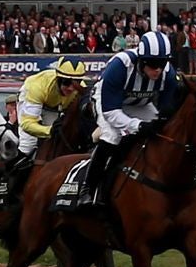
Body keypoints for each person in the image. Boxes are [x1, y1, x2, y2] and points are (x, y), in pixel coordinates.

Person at [65, 31, 177, 211]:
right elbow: (111, 112)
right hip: (109, 102)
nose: (158, 69)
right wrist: (137, 125)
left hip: (140, 103)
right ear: (142, 60)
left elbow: (166, 111)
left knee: (163, 134)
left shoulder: (168, 74)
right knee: (112, 135)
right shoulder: (120, 65)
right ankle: (88, 188)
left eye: (162, 63)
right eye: (153, 64)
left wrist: (159, 123)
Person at [18, 57, 91, 148]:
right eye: (66, 82)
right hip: (33, 97)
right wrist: (49, 130)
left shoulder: (81, 89)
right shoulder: (36, 87)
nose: (71, 88)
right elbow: (27, 124)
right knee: (29, 144)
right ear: (58, 79)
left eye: (76, 82)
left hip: (54, 105)